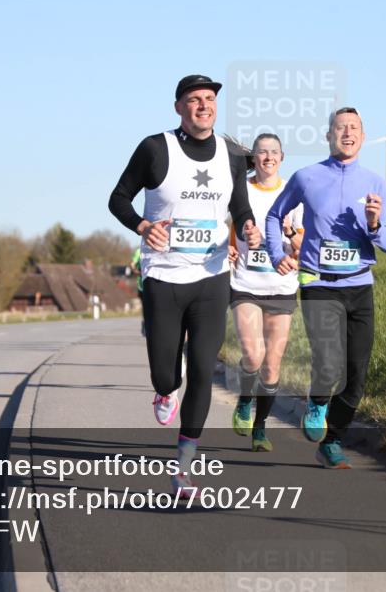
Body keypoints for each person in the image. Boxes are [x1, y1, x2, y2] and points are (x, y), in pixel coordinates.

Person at [108, 74, 261, 496]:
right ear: (179, 107)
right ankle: (162, 392)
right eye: (194, 100)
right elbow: (117, 198)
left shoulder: (231, 155)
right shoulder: (155, 148)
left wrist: (248, 227)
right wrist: (142, 225)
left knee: (202, 372)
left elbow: (240, 205)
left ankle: (183, 468)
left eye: (209, 99)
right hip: (163, 276)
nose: (203, 106)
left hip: (212, 276)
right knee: (165, 372)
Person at [265, 107, 386, 469]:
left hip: (359, 287)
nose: (347, 133)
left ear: (364, 137)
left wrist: (373, 223)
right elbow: (275, 215)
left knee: (356, 376)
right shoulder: (306, 177)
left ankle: (332, 442)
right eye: (340, 128)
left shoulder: (374, 182)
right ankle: (317, 402)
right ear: (328, 136)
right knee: (328, 362)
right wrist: (277, 252)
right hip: (318, 283)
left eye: (354, 127)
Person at [227, 133, 303, 452]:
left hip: (282, 287)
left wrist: (289, 234)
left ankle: (260, 429)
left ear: (282, 158)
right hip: (245, 285)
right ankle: (244, 401)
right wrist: (228, 249)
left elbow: (303, 245)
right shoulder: (239, 189)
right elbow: (224, 227)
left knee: (272, 365)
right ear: (253, 158)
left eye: (274, 152)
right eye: (262, 152)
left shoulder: (294, 193)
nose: (268, 157)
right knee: (253, 356)